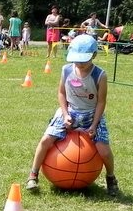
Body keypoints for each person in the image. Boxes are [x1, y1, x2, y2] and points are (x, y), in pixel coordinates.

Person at [25, 34, 119, 196]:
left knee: (103, 150)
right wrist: (65, 114)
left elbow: (101, 102)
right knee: (46, 140)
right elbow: (61, 93)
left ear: (94, 55)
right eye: (76, 60)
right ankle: (33, 175)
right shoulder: (66, 70)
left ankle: (111, 178)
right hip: (69, 111)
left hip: (92, 114)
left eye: (83, 60)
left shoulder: (100, 75)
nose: (79, 64)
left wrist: (94, 124)